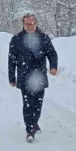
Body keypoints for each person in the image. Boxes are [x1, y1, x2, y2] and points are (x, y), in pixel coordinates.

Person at [8, 13, 58, 142]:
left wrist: (53, 66)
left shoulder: (44, 38)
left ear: (36, 24)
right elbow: (11, 60)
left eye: (32, 24)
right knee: (28, 103)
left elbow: (52, 54)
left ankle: (34, 122)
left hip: (39, 76)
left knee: (38, 103)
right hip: (24, 77)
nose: (30, 26)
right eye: (27, 24)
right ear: (23, 24)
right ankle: (29, 129)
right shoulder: (17, 39)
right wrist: (12, 77)